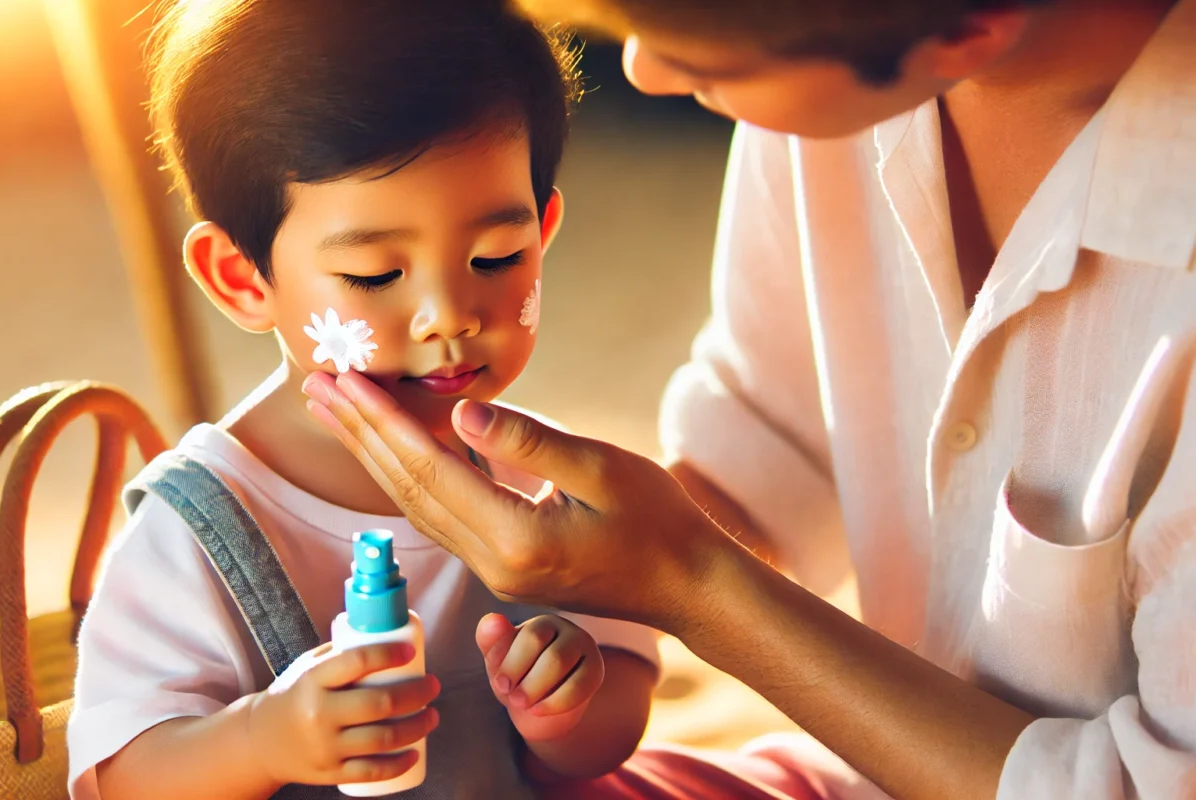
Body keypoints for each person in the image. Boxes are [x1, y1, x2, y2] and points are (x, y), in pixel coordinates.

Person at [300, 0, 1196, 798]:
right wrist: (587, 624)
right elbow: (770, 439)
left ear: (966, 31)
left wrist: (687, 584)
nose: (646, 70)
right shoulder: (843, 73)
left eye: (709, 60)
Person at [64, 1, 670, 797]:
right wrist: (260, 740)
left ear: (545, 230)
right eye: (376, 276)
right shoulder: (201, 526)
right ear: (242, 279)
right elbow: (122, 776)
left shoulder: (546, 485)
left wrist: (570, 706)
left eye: (497, 257)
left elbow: (617, 718)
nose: (449, 314)